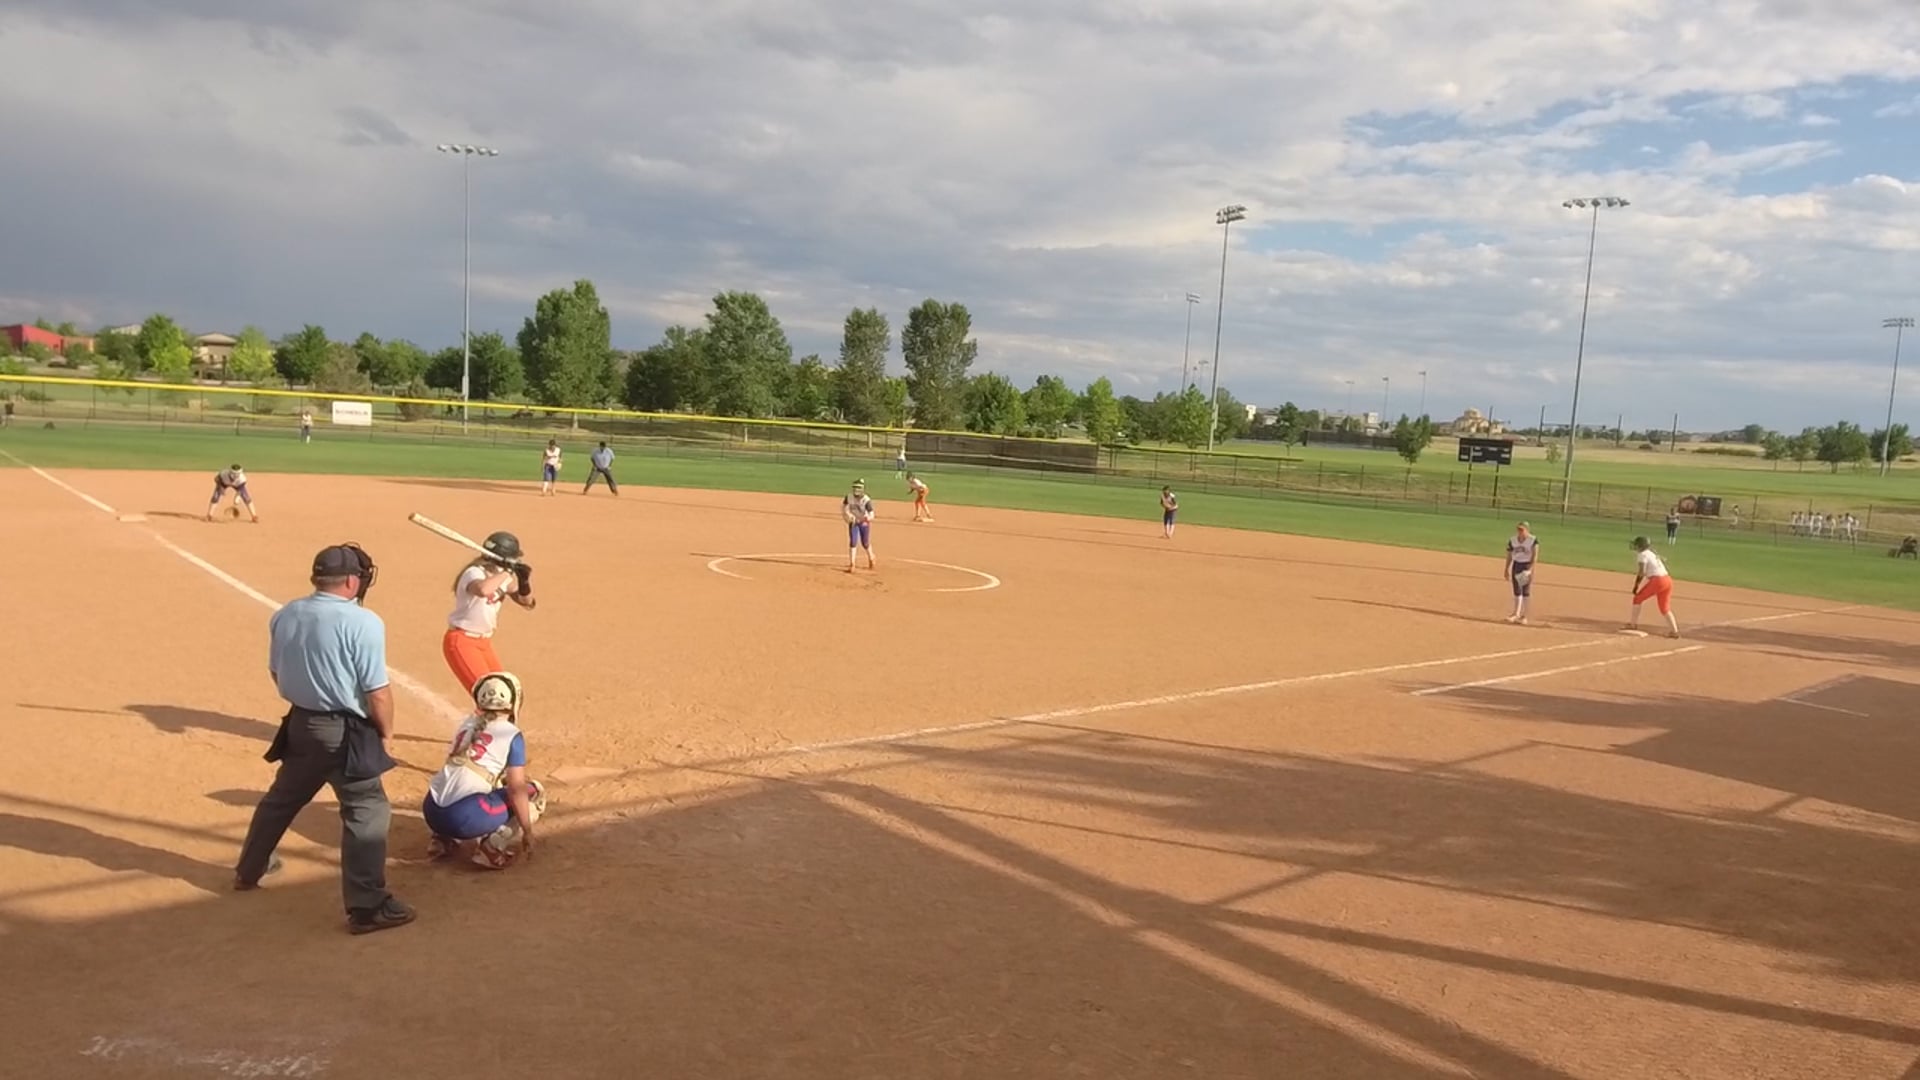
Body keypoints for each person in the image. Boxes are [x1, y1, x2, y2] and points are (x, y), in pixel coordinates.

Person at [233, 543, 415, 936]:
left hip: (300, 725)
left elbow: (276, 673)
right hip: (345, 732)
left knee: (281, 800)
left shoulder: (286, 613)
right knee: (367, 809)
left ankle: (249, 869)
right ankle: (367, 907)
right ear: (351, 581)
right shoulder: (363, 622)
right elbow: (378, 692)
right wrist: (385, 734)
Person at [423, 671, 546, 870]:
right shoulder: (512, 734)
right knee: (533, 792)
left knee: (463, 782)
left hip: (431, 811)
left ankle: (441, 839)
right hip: (463, 817)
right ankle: (492, 847)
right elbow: (516, 789)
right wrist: (528, 832)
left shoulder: (466, 724)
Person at [443, 531, 535, 693]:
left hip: (484, 643)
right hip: (462, 641)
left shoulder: (501, 576)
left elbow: (527, 602)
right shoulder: (474, 572)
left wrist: (524, 581)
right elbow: (483, 590)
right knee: (489, 694)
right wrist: (508, 571)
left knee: (505, 692)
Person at [1625, 536, 1680, 638]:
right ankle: (1674, 631)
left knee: (1637, 599)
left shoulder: (1642, 555)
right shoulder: (1651, 553)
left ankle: (1633, 624)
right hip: (1667, 580)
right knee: (1664, 608)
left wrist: (1636, 585)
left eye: (1637, 544)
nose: (1635, 546)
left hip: (1658, 581)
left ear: (1641, 546)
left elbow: (1642, 572)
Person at [1503, 521, 1539, 625]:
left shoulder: (1532, 540)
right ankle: (1516, 614)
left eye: (1522, 530)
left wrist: (1530, 569)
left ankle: (1525, 616)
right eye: (1518, 529)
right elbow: (1509, 555)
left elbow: (1535, 556)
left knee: (1525, 591)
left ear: (1527, 530)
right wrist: (1506, 568)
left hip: (1526, 565)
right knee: (1517, 590)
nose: (1519, 531)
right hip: (1516, 565)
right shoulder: (1513, 540)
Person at [842, 479, 876, 573]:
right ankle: (852, 564)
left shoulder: (866, 500)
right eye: (855, 488)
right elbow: (844, 507)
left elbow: (872, 514)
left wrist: (866, 518)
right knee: (853, 542)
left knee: (865, 543)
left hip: (863, 522)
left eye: (858, 489)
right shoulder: (849, 497)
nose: (856, 491)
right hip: (853, 522)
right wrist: (848, 516)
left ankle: (871, 557)